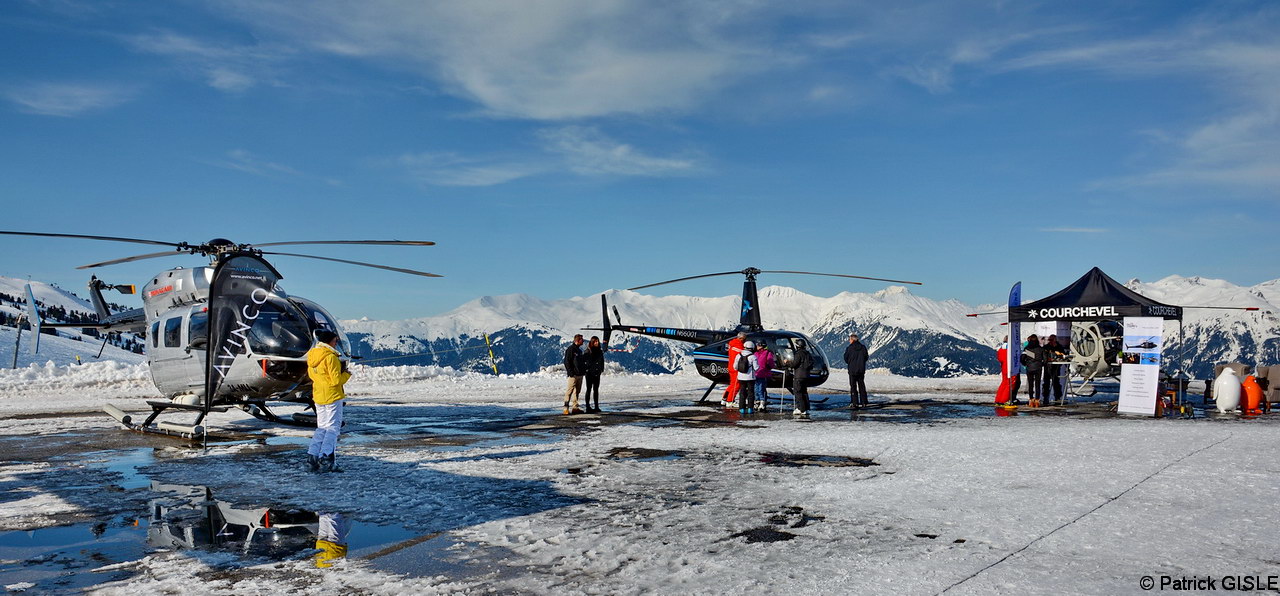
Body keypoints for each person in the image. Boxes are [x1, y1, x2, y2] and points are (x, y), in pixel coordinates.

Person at [307, 330, 351, 474]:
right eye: (335, 341)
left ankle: (313, 455)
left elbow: (312, 376)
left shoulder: (312, 355)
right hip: (332, 395)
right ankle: (326, 457)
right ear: (329, 341)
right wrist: (346, 374)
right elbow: (335, 380)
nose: (336, 343)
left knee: (322, 427)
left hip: (319, 395)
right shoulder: (331, 357)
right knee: (333, 428)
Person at [843, 333, 869, 408]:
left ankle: (854, 402)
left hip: (852, 370)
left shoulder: (849, 348)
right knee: (862, 386)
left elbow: (845, 358)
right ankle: (864, 402)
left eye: (849, 339)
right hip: (861, 370)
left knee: (853, 387)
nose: (849, 341)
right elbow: (866, 357)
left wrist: (850, 363)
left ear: (852, 340)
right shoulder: (863, 347)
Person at [723, 331, 748, 408]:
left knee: (732, 384)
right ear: (741, 339)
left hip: (731, 366)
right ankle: (730, 401)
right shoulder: (739, 346)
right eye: (744, 339)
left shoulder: (732, 343)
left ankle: (725, 398)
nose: (745, 341)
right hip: (736, 368)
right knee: (736, 385)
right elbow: (745, 354)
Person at [581, 336, 605, 413]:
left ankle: (596, 406)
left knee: (596, 389)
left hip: (597, 373)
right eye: (595, 342)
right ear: (592, 342)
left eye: (597, 341)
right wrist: (587, 370)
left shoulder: (600, 351)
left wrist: (601, 369)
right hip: (589, 373)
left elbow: (602, 361)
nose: (597, 343)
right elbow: (584, 362)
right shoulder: (588, 351)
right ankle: (587, 406)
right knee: (589, 389)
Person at [791, 338, 814, 419]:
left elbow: (795, 364)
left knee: (798, 392)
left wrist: (788, 363)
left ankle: (801, 408)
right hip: (806, 375)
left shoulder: (798, 354)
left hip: (799, 376)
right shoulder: (808, 354)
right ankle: (806, 408)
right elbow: (811, 363)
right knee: (804, 392)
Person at [1020, 334, 1045, 405]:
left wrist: (1026, 364)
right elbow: (1045, 360)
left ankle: (1031, 399)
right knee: (1037, 384)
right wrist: (1041, 364)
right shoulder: (1041, 349)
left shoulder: (1027, 349)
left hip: (1029, 367)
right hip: (1038, 368)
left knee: (1030, 384)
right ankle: (1037, 400)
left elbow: (1022, 359)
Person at [734, 340, 758, 413]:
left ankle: (742, 408)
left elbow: (735, 367)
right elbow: (756, 368)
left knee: (742, 392)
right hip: (750, 377)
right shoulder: (753, 357)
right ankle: (750, 408)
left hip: (741, 377)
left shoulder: (738, 356)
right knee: (751, 393)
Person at [1042, 335, 1067, 404]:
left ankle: (1057, 397)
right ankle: (1045, 398)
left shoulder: (1059, 347)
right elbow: (1043, 356)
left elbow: (1063, 355)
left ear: (1055, 340)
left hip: (1056, 367)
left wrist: (1059, 357)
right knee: (1046, 383)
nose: (1050, 341)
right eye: (1049, 340)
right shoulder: (1046, 347)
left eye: (1051, 340)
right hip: (1047, 367)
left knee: (1056, 382)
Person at [563, 334, 585, 414]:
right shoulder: (571, 349)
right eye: (581, 340)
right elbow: (567, 361)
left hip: (579, 374)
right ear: (577, 340)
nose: (583, 341)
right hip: (573, 375)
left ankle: (575, 407)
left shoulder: (579, 351)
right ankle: (566, 408)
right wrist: (570, 372)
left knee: (577, 391)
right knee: (569, 391)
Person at [754, 342, 775, 414]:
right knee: (756, 388)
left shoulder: (767, 353)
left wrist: (768, 367)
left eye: (758, 345)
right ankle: (757, 401)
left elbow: (771, 363)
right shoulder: (756, 353)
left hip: (763, 373)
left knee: (761, 388)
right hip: (756, 373)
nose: (756, 346)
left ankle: (762, 401)